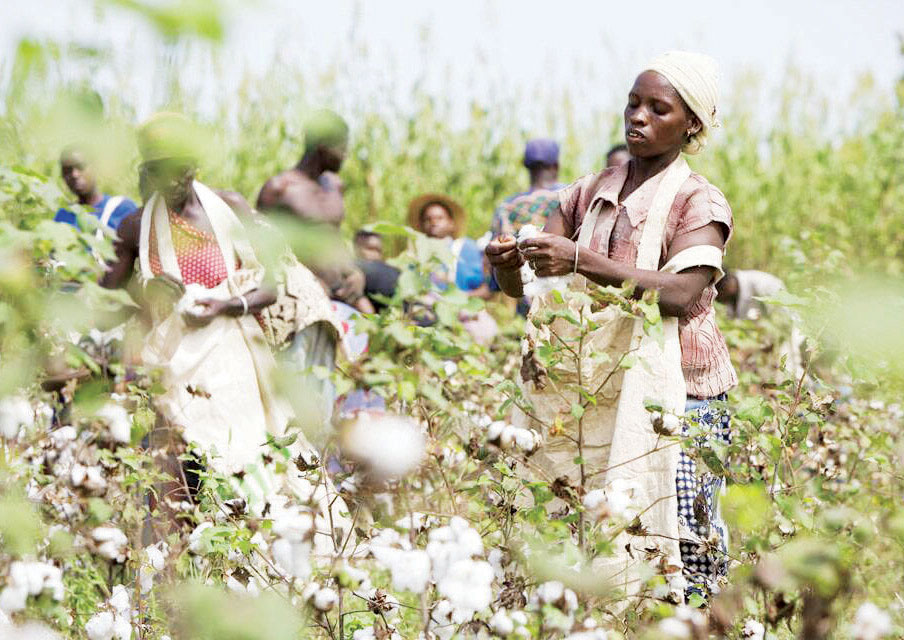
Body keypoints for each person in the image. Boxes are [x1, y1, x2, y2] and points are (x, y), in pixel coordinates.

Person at [487, 51, 735, 600]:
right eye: (633, 104)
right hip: (596, 388)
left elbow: (679, 294)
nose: (638, 117)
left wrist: (580, 260)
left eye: (658, 108)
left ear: (691, 123)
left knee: (682, 539)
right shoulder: (588, 190)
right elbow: (532, 287)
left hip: (682, 395)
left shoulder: (698, 200)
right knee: (580, 531)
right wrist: (507, 265)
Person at [100, 112, 291, 491]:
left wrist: (227, 306)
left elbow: (271, 287)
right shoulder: (136, 226)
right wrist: (145, 293)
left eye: (175, 170)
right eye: (156, 172)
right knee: (186, 464)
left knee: (240, 457)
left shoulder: (229, 207)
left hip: (233, 359)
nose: (166, 181)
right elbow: (105, 300)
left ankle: (244, 544)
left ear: (192, 169)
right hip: (173, 363)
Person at [256, 109, 374, 315]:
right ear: (323, 146)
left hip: (345, 290)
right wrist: (305, 280)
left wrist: (356, 274)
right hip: (303, 296)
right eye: (342, 148)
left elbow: (334, 238)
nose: (345, 155)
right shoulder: (279, 189)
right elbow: (262, 251)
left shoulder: (335, 185)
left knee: (375, 332)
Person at [409, 194, 498, 345]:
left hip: (462, 314)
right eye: (428, 219)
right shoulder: (416, 255)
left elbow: (487, 289)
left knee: (485, 332)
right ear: (422, 225)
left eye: (439, 218)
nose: (433, 223)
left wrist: (459, 298)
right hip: (426, 316)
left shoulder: (466, 248)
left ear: (451, 223)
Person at [490, 138, 565, 239]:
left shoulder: (506, 206)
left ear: (526, 166)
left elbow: (495, 246)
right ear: (556, 166)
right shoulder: (570, 196)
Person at [55, 146, 138, 234]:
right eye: (67, 170)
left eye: (81, 167)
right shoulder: (63, 215)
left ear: (96, 168)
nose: (74, 174)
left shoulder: (122, 208)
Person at [354, 230, 400, 312]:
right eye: (370, 249)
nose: (374, 254)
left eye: (378, 250)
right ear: (356, 249)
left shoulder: (394, 272)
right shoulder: (352, 272)